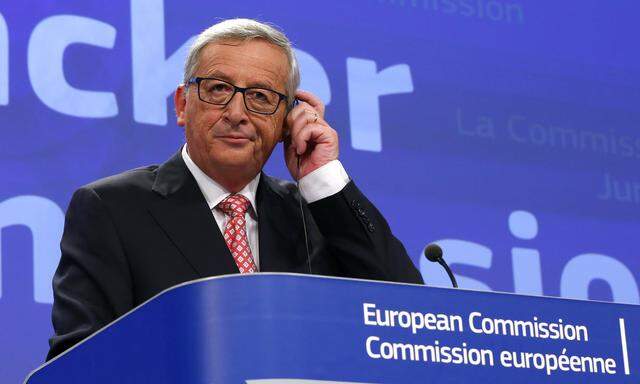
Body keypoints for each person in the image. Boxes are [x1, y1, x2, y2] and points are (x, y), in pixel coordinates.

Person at [47, 18, 423, 361]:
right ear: (182, 105)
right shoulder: (112, 208)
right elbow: (77, 362)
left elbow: (412, 321)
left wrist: (321, 176)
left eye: (261, 96)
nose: (237, 112)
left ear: (286, 122)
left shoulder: (317, 215)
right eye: (218, 88)